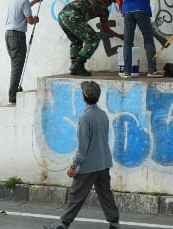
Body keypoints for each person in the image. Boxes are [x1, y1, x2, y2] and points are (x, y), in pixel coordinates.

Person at [43, 81, 120, 229]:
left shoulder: (85, 117)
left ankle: (63, 224)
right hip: (104, 162)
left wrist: (74, 166)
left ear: (84, 96)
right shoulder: (103, 114)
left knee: (76, 195)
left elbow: (83, 147)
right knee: (105, 194)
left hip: (89, 165)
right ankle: (114, 223)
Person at [58, 0, 124, 76]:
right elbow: (105, 29)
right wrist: (119, 36)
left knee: (76, 41)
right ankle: (78, 65)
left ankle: (74, 66)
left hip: (62, 15)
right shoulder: (104, 9)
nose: (110, 4)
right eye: (111, 1)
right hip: (73, 16)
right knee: (93, 39)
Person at [5, 0, 43, 104]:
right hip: (17, 36)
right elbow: (30, 21)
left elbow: (23, 7)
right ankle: (13, 95)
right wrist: (36, 19)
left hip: (9, 34)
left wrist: (35, 1)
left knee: (15, 64)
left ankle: (14, 90)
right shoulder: (24, 1)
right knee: (17, 66)